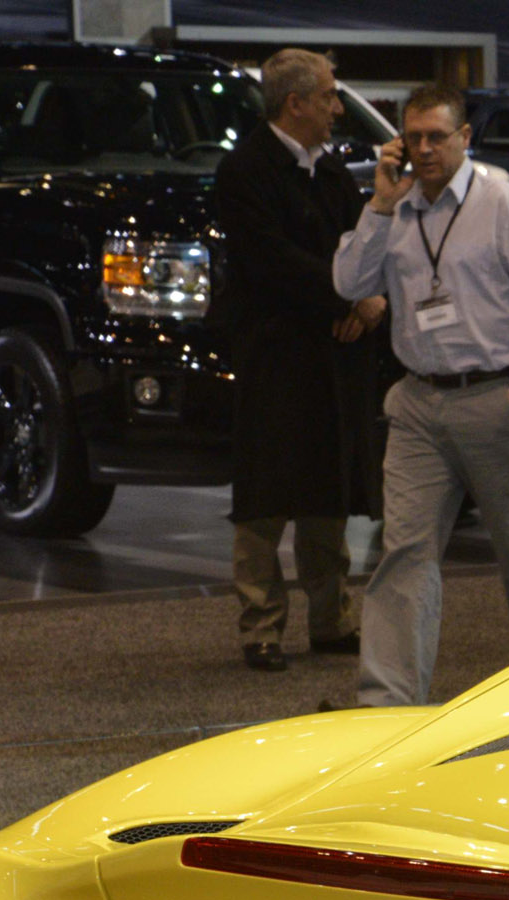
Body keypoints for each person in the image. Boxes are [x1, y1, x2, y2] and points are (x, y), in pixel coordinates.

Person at [331, 83, 509, 709]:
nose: (423, 149)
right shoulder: (397, 209)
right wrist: (380, 207)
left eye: (437, 136)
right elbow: (349, 280)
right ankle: (386, 703)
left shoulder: (507, 207)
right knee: (403, 554)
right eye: (412, 138)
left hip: (493, 398)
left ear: (465, 138)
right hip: (417, 405)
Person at [214, 48, 385, 672]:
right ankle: (261, 627)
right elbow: (270, 262)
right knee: (266, 496)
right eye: (331, 96)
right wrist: (348, 298)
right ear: (296, 103)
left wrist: (360, 302)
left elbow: (358, 251)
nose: (338, 109)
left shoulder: (332, 175)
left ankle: (331, 620)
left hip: (331, 355)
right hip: (274, 357)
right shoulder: (245, 173)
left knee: (326, 490)